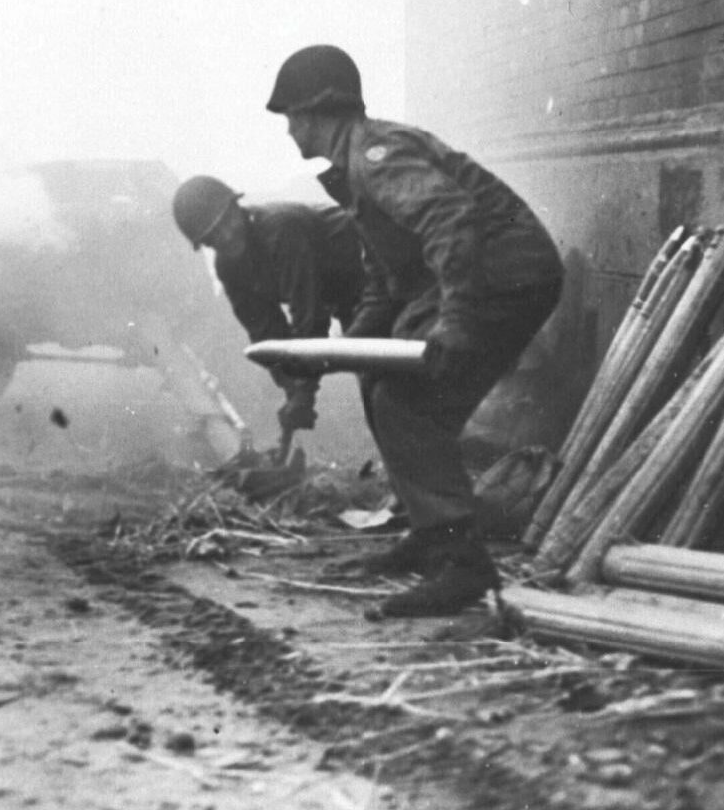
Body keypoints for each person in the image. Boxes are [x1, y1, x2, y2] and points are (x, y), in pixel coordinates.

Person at [266, 44, 564, 617]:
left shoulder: (378, 156)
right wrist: (332, 355)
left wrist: (456, 321)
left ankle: (462, 567)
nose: (289, 131)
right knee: (386, 390)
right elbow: (384, 287)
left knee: (409, 404)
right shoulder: (357, 175)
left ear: (317, 112)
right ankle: (434, 536)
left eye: (291, 117)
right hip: (484, 278)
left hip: (509, 273)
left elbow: (451, 220)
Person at [170, 175, 364, 441]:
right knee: (374, 382)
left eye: (227, 221)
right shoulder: (228, 268)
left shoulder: (280, 229)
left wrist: (305, 391)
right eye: (213, 236)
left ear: (238, 208)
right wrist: (292, 387)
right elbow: (268, 336)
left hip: (373, 270)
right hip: (342, 297)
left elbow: (308, 314)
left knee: (383, 380)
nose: (226, 236)